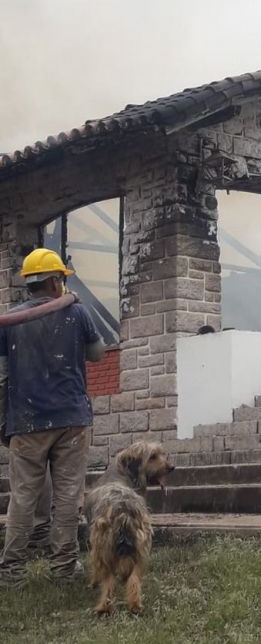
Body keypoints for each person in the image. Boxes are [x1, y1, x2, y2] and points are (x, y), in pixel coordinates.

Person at [0, 248, 105, 586]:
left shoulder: (10, 321)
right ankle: (63, 567)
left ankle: (12, 572)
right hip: (71, 418)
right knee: (67, 494)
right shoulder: (77, 313)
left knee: (23, 496)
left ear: (30, 284)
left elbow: (3, 371)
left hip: (26, 420)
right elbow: (97, 353)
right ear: (57, 281)